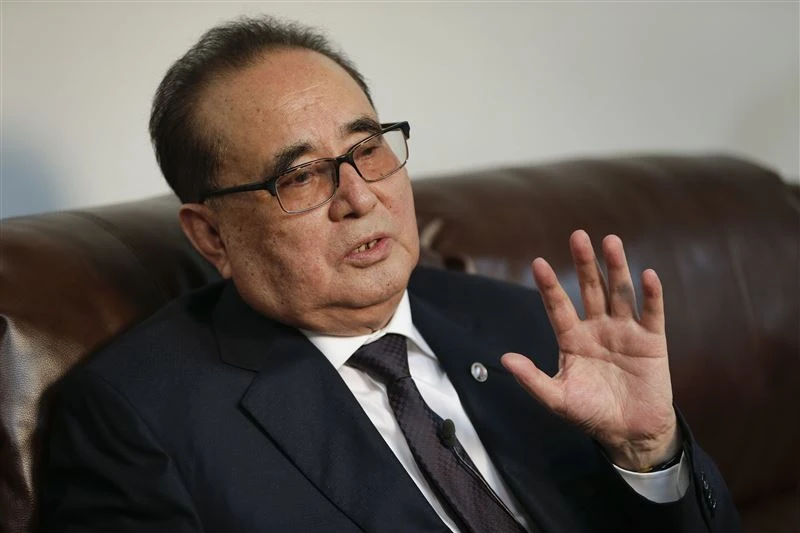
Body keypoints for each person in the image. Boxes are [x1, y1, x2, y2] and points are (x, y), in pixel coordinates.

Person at [39, 15, 740, 532]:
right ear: (211, 235)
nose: (360, 196)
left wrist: (649, 455)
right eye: (301, 175)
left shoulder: (520, 325)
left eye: (368, 149)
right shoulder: (137, 417)